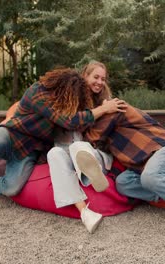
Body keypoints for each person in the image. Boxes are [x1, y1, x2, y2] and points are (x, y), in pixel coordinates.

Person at [0, 68, 126, 204]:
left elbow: (76, 118)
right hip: (11, 135)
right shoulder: (38, 92)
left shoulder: (65, 104)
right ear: (61, 89)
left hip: (29, 150)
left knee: (13, 187)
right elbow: (68, 120)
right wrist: (101, 110)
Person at [84, 104, 165, 236]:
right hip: (144, 165)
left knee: (150, 176)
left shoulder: (116, 108)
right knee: (123, 183)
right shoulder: (102, 129)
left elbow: (90, 135)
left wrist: (83, 123)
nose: (99, 82)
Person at [47, 61, 126, 233]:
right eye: (95, 77)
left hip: (97, 153)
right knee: (53, 154)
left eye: (103, 79)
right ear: (85, 76)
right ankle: (85, 213)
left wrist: (105, 109)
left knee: (79, 147)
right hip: (69, 152)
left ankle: (92, 173)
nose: (99, 82)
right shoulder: (71, 98)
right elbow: (70, 121)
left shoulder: (107, 101)